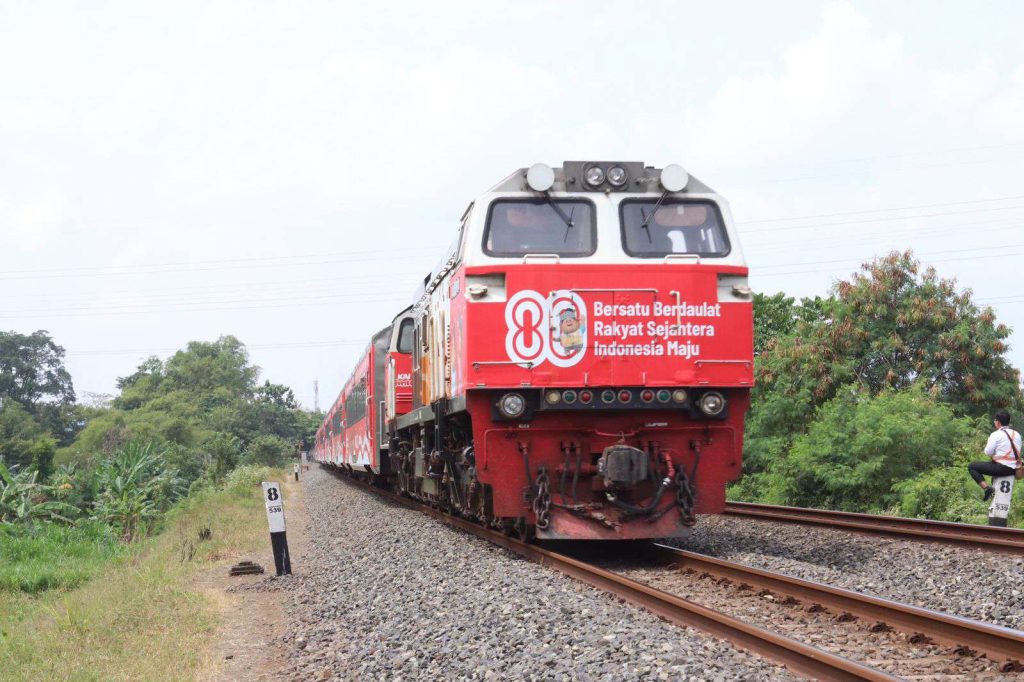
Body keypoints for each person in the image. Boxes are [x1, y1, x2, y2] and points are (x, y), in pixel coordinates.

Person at [968, 409, 1021, 501]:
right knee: (994, 464)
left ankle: (987, 489)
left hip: (1001, 468)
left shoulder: (996, 434)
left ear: (998, 422)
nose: (994, 422)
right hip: (1014, 470)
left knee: (972, 466)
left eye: (995, 420)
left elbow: (988, 452)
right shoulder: (1017, 434)